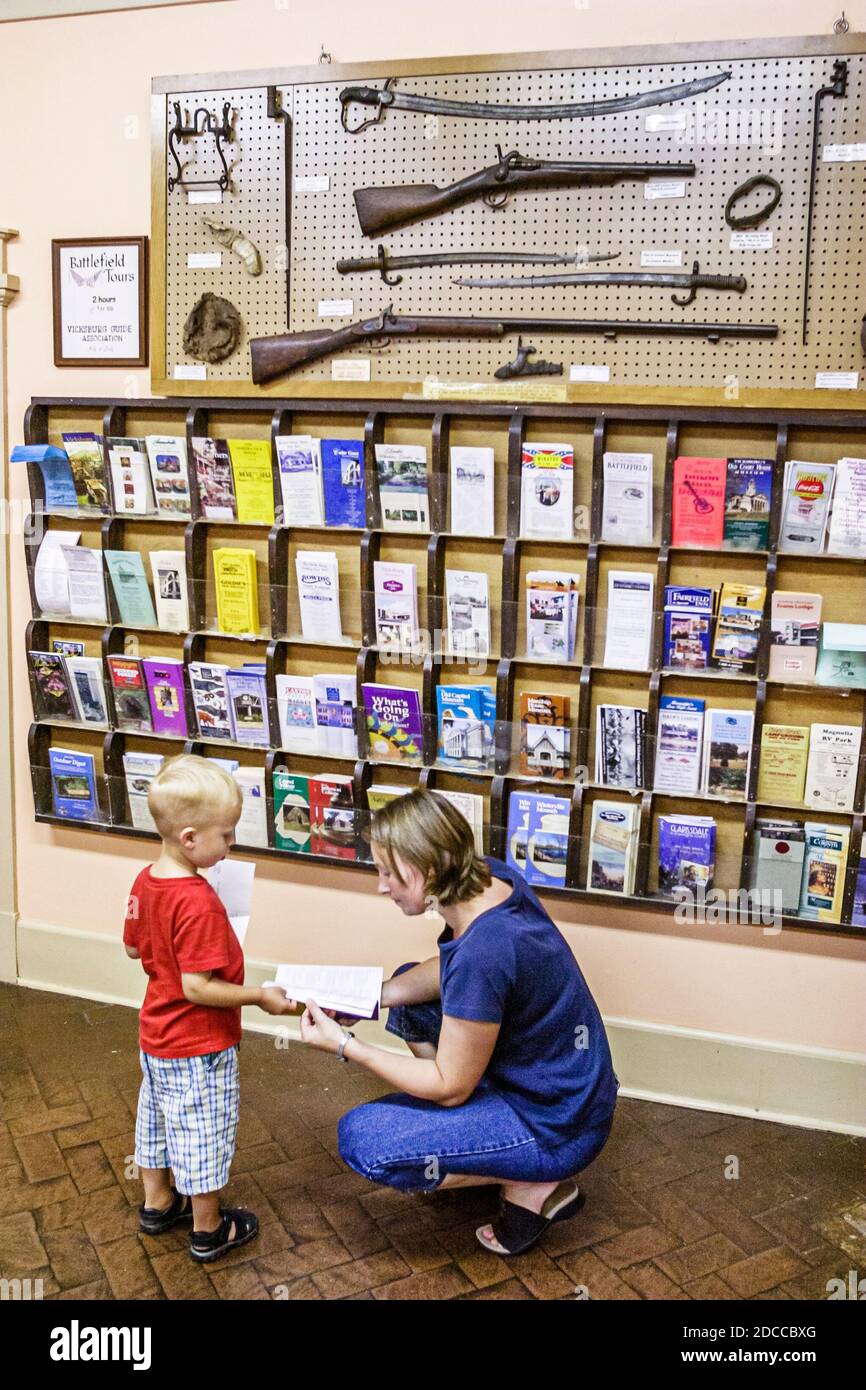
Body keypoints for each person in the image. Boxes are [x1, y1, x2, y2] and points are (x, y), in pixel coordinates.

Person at [293, 788, 619, 1257]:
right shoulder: (490, 880)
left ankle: (534, 1182)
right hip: (567, 1094)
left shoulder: (486, 950)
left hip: (559, 1128)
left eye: (388, 872)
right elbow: (450, 970)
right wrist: (373, 997)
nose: (381, 886)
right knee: (408, 986)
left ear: (426, 870)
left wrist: (347, 1045)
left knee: (367, 1141)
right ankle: (478, 1140)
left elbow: (450, 1085)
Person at [123, 754, 290, 1263]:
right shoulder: (197, 899)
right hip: (199, 1042)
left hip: (156, 1034)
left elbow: (132, 948)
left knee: (154, 1120)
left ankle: (157, 1204)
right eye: (227, 834)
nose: (232, 843)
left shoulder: (145, 880)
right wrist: (259, 996)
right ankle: (208, 1228)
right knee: (203, 1132)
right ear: (190, 838)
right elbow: (198, 988)